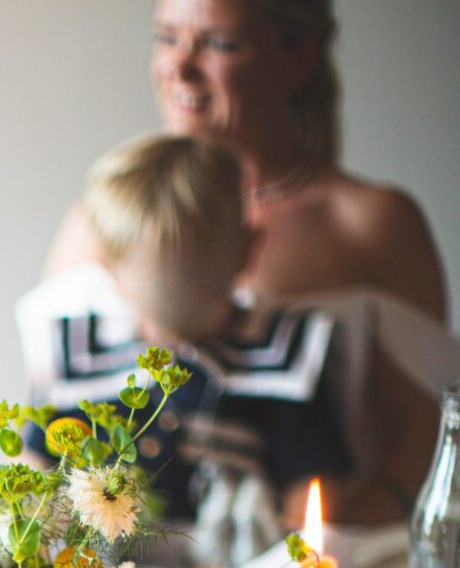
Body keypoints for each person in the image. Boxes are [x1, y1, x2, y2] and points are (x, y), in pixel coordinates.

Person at [39, 0, 453, 525]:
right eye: (166, 37)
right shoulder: (100, 216)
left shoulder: (371, 224)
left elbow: (427, 437)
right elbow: (52, 418)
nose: (178, 67)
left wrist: (299, 560)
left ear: (299, 55)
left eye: (218, 43)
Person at [20, 135, 352, 565]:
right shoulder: (81, 353)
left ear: (247, 251)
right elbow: (38, 463)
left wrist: (286, 541)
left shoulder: (279, 356)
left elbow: (313, 483)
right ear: (108, 270)